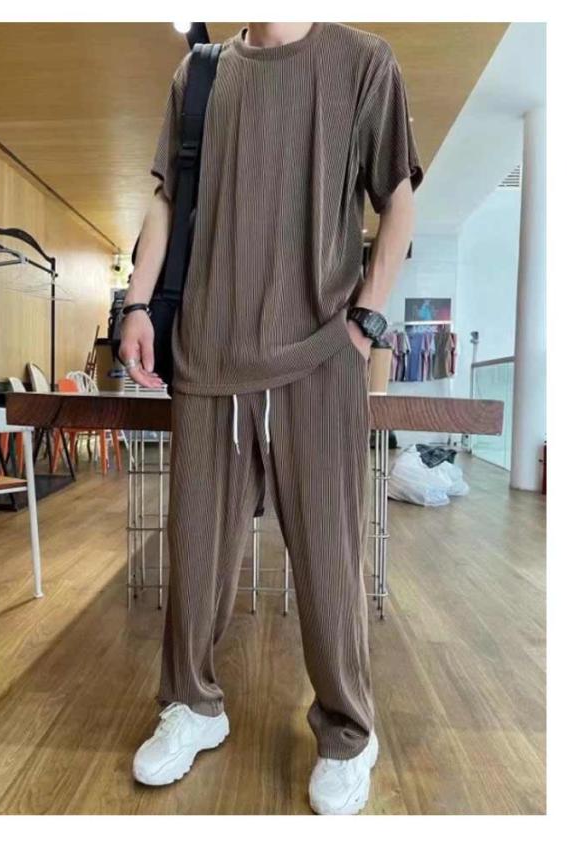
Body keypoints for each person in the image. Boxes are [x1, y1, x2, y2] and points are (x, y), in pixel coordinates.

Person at [120, 22, 422, 815]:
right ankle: (191, 706)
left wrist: (366, 320)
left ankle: (349, 730)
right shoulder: (201, 72)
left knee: (329, 556)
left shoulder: (363, 64)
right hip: (208, 354)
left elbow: (398, 201)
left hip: (320, 354)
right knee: (195, 551)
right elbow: (167, 198)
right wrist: (135, 305)